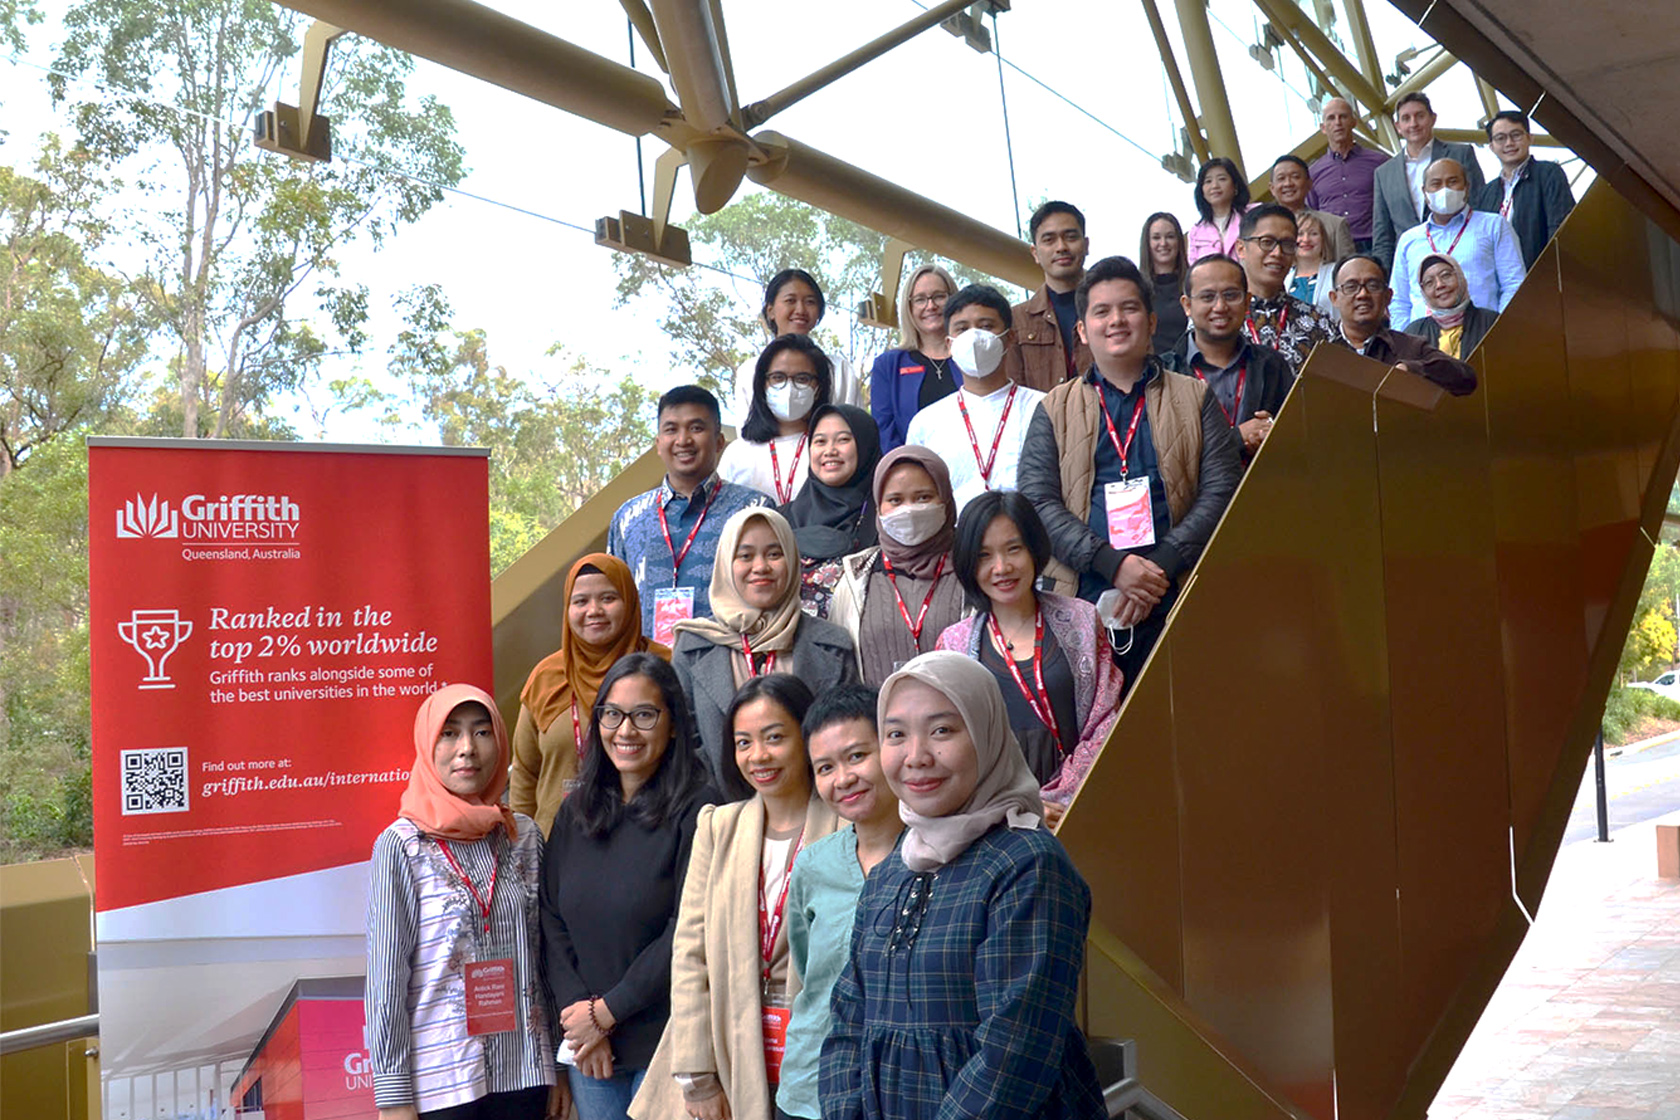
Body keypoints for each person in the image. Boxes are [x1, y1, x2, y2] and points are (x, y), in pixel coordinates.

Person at [818, 652, 1106, 1120]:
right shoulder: (894, 869)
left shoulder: (1027, 865)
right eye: (896, 735)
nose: (916, 757)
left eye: (942, 730)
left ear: (987, 735)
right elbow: (849, 1020)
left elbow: (1015, 1051)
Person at [1016, 256, 1241, 687]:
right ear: (1082, 330)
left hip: (1179, 590)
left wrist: (1155, 571)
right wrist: (1114, 565)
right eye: (1101, 311)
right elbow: (1037, 500)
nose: (1116, 320)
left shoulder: (1195, 397)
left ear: (1152, 321)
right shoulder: (1054, 408)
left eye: (1129, 308)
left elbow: (1222, 490)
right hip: (1084, 599)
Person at [630, 674, 839, 1120]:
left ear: (807, 738)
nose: (757, 755)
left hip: (818, 1053)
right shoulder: (718, 827)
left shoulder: (845, 827)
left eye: (774, 738)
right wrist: (696, 1077)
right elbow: (690, 956)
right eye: (743, 742)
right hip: (731, 1047)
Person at [366, 684, 558, 1120]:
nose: (467, 749)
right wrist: (393, 1096)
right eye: (449, 733)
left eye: (482, 732)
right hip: (441, 1082)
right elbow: (386, 980)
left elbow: (546, 957)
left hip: (525, 1071)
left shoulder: (524, 836)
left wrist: (560, 1065)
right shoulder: (401, 846)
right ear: (427, 745)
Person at [540, 655, 719, 1120]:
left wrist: (608, 1013)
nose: (625, 731)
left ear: (674, 724)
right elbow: (550, 916)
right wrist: (583, 1019)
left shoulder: (701, 808)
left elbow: (689, 927)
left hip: (667, 1044)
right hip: (591, 1046)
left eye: (644, 715)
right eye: (612, 714)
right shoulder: (576, 809)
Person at [934, 492, 1121, 827]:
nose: (1002, 567)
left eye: (1014, 549)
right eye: (984, 555)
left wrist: (1062, 798)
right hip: (996, 821)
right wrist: (1021, 808)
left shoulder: (1080, 619)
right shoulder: (952, 647)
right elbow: (951, 752)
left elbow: (1106, 718)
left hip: (1083, 806)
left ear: (1035, 549)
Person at [774, 684, 902, 1120]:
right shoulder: (814, 864)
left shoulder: (940, 858)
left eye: (856, 756)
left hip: (899, 1091)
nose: (842, 779)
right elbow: (809, 974)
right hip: (810, 1089)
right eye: (824, 767)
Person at [671, 507, 859, 796]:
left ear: (793, 560)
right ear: (724, 563)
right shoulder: (693, 644)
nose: (760, 567)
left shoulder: (833, 644)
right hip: (721, 816)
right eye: (745, 556)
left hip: (816, 814)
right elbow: (686, 740)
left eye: (774, 554)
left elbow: (845, 738)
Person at [512, 554, 670, 836]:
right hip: (557, 847)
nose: (594, 610)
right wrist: (522, 848)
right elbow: (525, 774)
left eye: (608, 598)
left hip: (650, 837)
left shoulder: (664, 667)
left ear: (630, 601)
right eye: (581, 601)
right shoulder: (546, 677)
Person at [609, 386, 773, 646]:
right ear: (658, 444)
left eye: (696, 428)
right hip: (643, 669)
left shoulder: (753, 509)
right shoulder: (629, 518)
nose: (683, 440)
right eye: (671, 429)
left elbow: (772, 600)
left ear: (719, 442)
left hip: (727, 664)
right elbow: (613, 599)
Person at [828, 447, 969, 687]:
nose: (909, 510)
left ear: (945, 500)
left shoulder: (971, 569)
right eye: (895, 500)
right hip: (876, 720)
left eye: (923, 497)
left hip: (961, 718)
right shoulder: (857, 576)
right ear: (878, 507)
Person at [903, 284, 1046, 514]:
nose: (974, 337)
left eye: (986, 326)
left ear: (1009, 338)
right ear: (949, 344)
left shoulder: (1043, 408)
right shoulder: (926, 423)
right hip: (956, 544)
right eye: (962, 328)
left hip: (1030, 541)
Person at [1159, 253, 1296, 467]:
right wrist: (1237, 438)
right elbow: (1166, 453)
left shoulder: (1272, 364)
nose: (1220, 306)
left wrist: (1272, 432)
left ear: (1247, 301)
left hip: (1263, 491)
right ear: (1187, 305)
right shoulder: (1163, 371)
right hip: (1195, 498)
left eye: (1231, 295)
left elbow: (1297, 438)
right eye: (1207, 297)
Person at [1387, 158, 1525, 328]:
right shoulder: (1409, 239)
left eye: (1453, 182)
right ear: (1424, 192)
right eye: (1436, 184)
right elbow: (1399, 301)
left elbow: (1513, 285)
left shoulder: (1494, 226)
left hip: (1481, 335)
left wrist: (1498, 331)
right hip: (1423, 344)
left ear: (1467, 188)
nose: (1444, 190)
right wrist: (1407, 343)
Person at [780, 404, 881, 618]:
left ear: (865, 446)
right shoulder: (780, 521)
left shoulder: (885, 520)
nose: (830, 450)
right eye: (820, 441)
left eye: (843, 439)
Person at [1329, 255, 1478, 395]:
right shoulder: (1319, 348)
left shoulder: (1410, 347)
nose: (1363, 294)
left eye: (1373, 285)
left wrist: (1413, 369)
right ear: (1334, 298)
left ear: (1388, 297)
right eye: (1351, 287)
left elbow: (1467, 377)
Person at [1371, 92, 1486, 272]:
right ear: (1397, 126)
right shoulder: (1384, 173)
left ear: (1433, 119)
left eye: (1420, 116)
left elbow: (1480, 204)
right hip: (1412, 265)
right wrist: (1382, 276)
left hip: (1464, 257)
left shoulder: (1461, 154)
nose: (1413, 124)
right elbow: (1383, 233)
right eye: (1406, 118)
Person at [731, 269, 860, 427]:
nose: (800, 310)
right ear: (770, 310)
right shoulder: (749, 370)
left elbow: (854, 430)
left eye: (810, 302)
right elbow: (746, 434)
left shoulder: (839, 370)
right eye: (790, 300)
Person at [722, 335, 835, 504]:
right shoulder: (738, 453)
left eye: (802, 379)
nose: (789, 388)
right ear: (763, 385)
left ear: (818, 388)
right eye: (778, 377)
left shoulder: (832, 449)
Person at [1234, 203, 1339, 374]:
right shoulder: (1220, 319)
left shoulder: (1317, 322)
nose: (1277, 253)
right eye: (1267, 242)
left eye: (1288, 244)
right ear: (1241, 248)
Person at [868, 264, 961, 454]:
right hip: (915, 475)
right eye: (920, 299)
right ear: (908, 307)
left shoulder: (973, 356)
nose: (931, 306)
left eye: (939, 296)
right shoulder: (888, 365)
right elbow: (885, 433)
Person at [1475, 109, 1576, 271]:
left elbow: (1559, 228)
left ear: (1530, 138)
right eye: (1500, 138)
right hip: (1501, 282)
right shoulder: (1486, 193)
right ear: (1492, 147)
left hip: (1539, 277)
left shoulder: (1549, 173)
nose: (1509, 143)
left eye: (1516, 135)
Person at [1011, 201, 1093, 392]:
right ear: (1035, 253)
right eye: (1049, 240)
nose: (1061, 247)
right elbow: (1013, 393)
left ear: (1086, 245)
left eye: (1071, 237)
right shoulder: (1016, 319)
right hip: (1043, 421)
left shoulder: (1112, 310)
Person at [1306, 97, 1389, 250]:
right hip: (1333, 247)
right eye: (1331, 118)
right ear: (1323, 128)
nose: (1337, 123)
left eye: (1343, 116)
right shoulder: (1313, 172)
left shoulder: (1380, 163)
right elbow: (1312, 214)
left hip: (1373, 244)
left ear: (1354, 122)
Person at [1402, 253, 1500, 359]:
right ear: (1423, 292)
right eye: (1429, 282)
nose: (1440, 285)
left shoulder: (1492, 323)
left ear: (1460, 277)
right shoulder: (1414, 333)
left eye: (1446, 275)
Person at [1269, 154, 1355, 261]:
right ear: (1272, 188)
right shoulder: (1262, 228)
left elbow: (1349, 270)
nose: (1288, 183)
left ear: (1309, 184)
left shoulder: (1334, 225)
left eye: (1295, 177)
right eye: (1281, 178)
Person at [1186, 157, 1254, 264]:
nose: (1215, 186)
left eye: (1222, 179)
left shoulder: (1254, 215)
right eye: (1208, 181)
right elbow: (1194, 271)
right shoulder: (1196, 232)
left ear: (1235, 186)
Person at [1140, 211, 1190, 353]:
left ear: (1179, 241)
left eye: (1170, 237)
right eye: (1156, 238)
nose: (1163, 243)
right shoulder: (1137, 288)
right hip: (1154, 368)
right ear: (1147, 243)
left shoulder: (1194, 282)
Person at [1288, 212, 1339, 317]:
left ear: (1323, 239)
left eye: (1313, 234)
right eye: (1300, 234)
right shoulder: (1283, 276)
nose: (1306, 239)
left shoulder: (1337, 272)